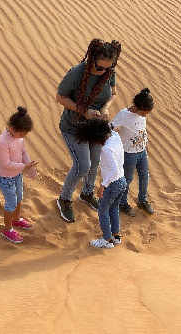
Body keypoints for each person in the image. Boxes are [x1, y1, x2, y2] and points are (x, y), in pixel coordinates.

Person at [56, 38, 122, 222]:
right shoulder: (76, 74)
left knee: (95, 162)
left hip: (96, 127)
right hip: (74, 127)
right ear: (92, 59)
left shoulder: (109, 72)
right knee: (82, 165)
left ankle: (86, 193)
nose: (104, 71)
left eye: (108, 68)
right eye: (100, 68)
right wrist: (83, 110)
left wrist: (105, 108)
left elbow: (113, 94)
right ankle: (64, 198)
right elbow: (60, 97)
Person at [75, 118, 126, 248]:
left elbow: (114, 169)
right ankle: (116, 236)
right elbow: (109, 127)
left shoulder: (107, 149)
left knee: (103, 212)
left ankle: (107, 240)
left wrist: (103, 185)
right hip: (122, 181)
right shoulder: (115, 136)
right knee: (114, 209)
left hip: (112, 184)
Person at [0, 106, 38, 244]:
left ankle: (16, 220)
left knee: (19, 198)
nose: (23, 137)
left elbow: (24, 151)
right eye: (22, 134)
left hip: (17, 175)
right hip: (5, 178)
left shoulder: (19, 138)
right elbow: (6, 164)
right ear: (12, 128)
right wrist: (25, 166)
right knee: (11, 204)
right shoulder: (3, 142)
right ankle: (7, 229)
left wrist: (29, 165)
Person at [112, 88, 154, 216]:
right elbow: (111, 127)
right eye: (143, 113)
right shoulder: (124, 115)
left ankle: (142, 201)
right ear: (135, 107)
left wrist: (145, 143)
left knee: (144, 177)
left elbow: (142, 130)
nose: (144, 116)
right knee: (128, 179)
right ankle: (122, 203)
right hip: (129, 153)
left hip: (142, 152)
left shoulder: (141, 115)